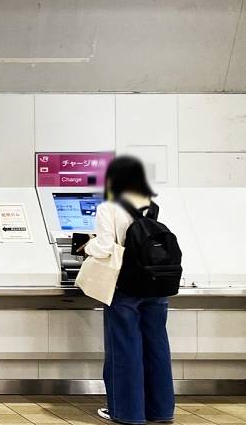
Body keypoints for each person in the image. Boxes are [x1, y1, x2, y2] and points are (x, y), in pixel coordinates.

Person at [78, 156, 174, 425]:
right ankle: (161, 411)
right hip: (156, 284)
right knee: (157, 347)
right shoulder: (151, 205)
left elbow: (106, 246)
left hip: (126, 286)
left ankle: (127, 413)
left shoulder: (109, 207)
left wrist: (88, 247)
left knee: (125, 348)